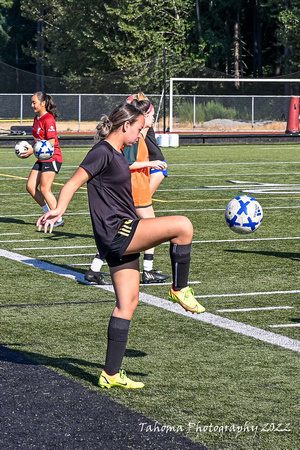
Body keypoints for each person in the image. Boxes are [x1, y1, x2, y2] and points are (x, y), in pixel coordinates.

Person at [37, 103, 205, 390]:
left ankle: (110, 373)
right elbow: (73, 182)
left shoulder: (113, 154)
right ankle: (179, 288)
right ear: (124, 125)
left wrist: (145, 165)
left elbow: (118, 172)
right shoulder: (101, 151)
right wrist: (59, 209)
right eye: (138, 129)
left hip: (116, 239)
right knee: (183, 226)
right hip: (118, 231)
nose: (140, 135)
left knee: (126, 304)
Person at [85, 92, 168, 285]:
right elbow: (127, 163)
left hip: (137, 189)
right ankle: (147, 270)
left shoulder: (142, 136)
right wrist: (151, 164)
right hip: (134, 190)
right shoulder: (134, 139)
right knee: (149, 230)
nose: (154, 119)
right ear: (144, 116)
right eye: (152, 115)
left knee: (122, 233)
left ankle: (94, 269)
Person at [21, 91, 64, 227]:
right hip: (41, 157)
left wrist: (34, 149)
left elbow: (51, 142)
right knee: (30, 187)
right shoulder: (36, 119)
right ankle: (47, 213)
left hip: (52, 157)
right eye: (32, 102)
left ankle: (58, 218)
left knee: (45, 189)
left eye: (34, 102)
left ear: (43, 103)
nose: (32, 105)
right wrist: (28, 149)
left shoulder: (48, 119)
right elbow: (38, 140)